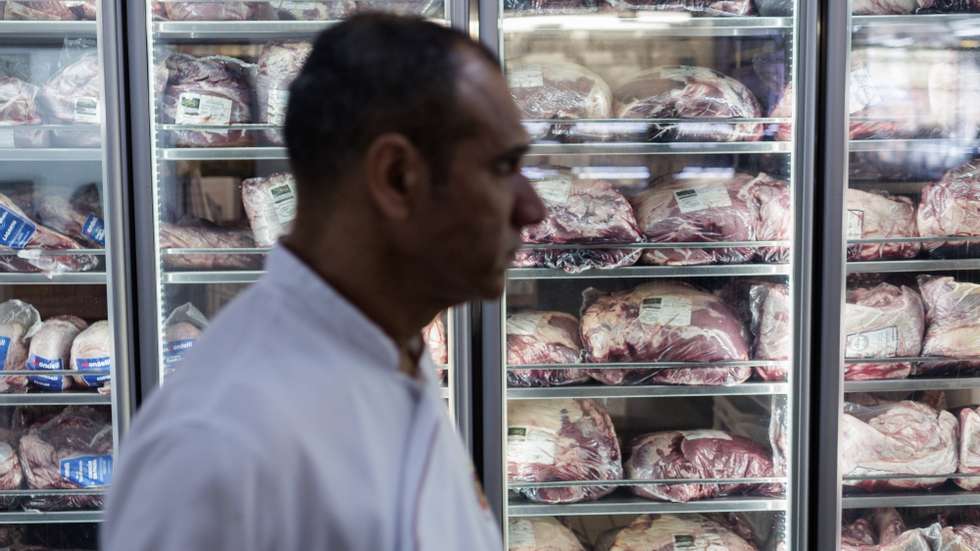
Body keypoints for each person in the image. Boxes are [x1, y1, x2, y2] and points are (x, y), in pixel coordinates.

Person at [101, 13, 544, 551]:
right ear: (397, 178)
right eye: (503, 167)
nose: (533, 207)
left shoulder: (389, 339)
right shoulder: (221, 450)